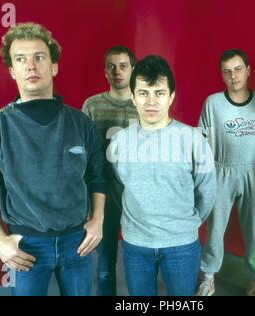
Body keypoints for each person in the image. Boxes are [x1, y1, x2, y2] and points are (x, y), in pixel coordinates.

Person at [0, 22, 106, 296]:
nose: (31, 65)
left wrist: (97, 220)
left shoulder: (80, 123)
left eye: (39, 57)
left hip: (78, 243)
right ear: (12, 71)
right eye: (21, 59)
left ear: (53, 67)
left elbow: (98, 176)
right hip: (26, 246)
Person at [107, 55, 216, 296]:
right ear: (133, 97)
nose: (151, 101)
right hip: (136, 244)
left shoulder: (193, 140)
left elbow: (207, 190)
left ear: (171, 96)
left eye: (159, 92)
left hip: (181, 244)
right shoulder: (118, 142)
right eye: (144, 93)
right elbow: (116, 188)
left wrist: (188, 224)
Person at [196, 49, 255, 296]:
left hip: (253, 173)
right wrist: (206, 175)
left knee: (254, 232)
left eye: (237, 69)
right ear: (222, 75)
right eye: (227, 71)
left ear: (248, 70)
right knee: (214, 230)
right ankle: (209, 277)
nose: (233, 76)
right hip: (221, 171)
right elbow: (201, 143)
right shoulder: (213, 103)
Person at [82, 46, 138, 296]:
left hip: (138, 198)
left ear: (132, 69)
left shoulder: (144, 104)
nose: (118, 71)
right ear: (105, 71)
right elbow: (82, 156)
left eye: (123, 65)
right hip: (104, 199)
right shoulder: (92, 106)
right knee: (105, 266)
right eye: (112, 66)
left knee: (140, 264)